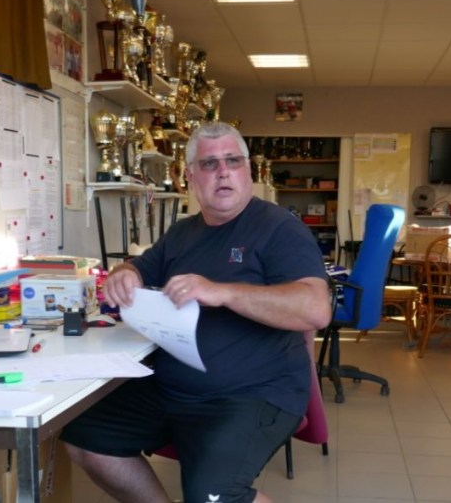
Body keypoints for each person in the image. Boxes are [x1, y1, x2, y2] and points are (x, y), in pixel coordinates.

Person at [61, 121, 332, 503]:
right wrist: (124, 275)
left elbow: (316, 309)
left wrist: (222, 292)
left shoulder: (279, 228)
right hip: (172, 387)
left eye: (233, 161)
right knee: (83, 438)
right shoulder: (182, 233)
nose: (223, 171)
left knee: (214, 496)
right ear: (190, 176)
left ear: (248, 170)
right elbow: (139, 267)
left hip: (253, 393)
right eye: (209, 163)